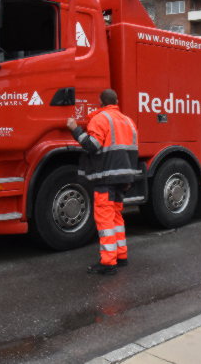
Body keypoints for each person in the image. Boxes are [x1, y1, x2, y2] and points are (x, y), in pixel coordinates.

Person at [66, 89, 139, 275]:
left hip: (106, 178)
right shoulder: (128, 121)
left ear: (100, 101)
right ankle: (121, 256)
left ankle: (108, 263)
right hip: (123, 178)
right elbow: (132, 151)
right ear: (116, 101)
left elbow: (92, 145)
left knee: (105, 220)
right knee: (116, 217)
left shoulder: (101, 119)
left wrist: (75, 129)